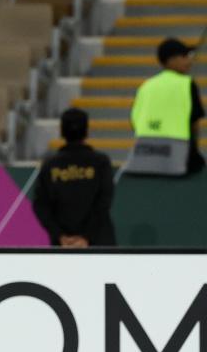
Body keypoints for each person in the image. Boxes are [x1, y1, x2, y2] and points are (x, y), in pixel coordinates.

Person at [33, 108, 116, 248]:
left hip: (62, 246)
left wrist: (60, 236)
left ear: (61, 131)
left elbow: (41, 206)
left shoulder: (50, 165)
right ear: (87, 131)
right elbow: (103, 203)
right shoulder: (101, 163)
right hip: (99, 244)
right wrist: (86, 237)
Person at [128, 37, 205, 175]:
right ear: (171, 60)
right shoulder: (186, 84)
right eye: (184, 56)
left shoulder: (146, 85)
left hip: (144, 156)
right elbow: (195, 123)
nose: (189, 61)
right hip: (179, 157)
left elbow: (135, 119)